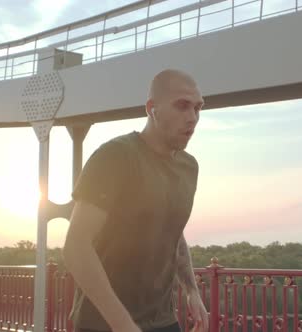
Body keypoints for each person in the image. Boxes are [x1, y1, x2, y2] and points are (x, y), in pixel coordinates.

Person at [62, 69, 207, 332]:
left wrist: (192, 291)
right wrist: (123, 325)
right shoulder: (115, 157)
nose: (192, 118)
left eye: (198, 108)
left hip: (164, 320)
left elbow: (172, 230)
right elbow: (76, 246)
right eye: (182, 106)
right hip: (104, 324)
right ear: (152, 108)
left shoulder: (189, 167)